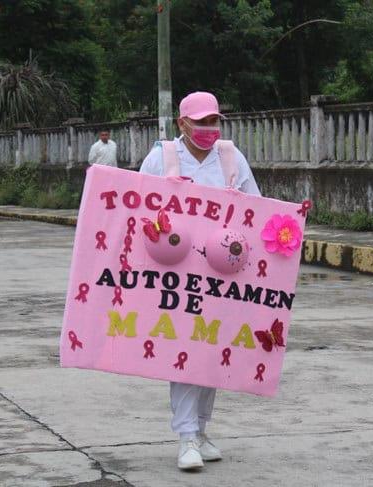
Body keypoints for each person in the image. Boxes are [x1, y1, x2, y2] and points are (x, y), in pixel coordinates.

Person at [140, 91, 260, 471]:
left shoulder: (231, 156)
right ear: (182, 124)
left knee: (212, 349)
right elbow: (138, 206)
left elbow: (255, 206)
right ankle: (186, 436)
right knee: (184, 354)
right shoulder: (162, 157)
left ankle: (202, 430)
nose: (209, 129)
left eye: (214, 122)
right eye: (202, 122)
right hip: (174, 275)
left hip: (221, 273)